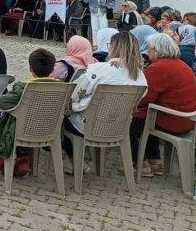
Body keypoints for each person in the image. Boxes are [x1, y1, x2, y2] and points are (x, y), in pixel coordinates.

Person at [63, 32, 146, 174]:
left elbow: (75, 94)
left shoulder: (99, 69)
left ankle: (72, 161)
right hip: (118, 126)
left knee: (59, 120)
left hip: (88, 125)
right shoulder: (140, 77)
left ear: (114, 47)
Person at [131, 33, 196, 177]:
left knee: (128, 121)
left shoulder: (160, 67)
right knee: (146, 116)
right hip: (186, 118)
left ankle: (141, 163)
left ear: (156, 50)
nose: (147, 52)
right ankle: (155, 161)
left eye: (149, 49)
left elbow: (144, 97)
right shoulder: (180, 64)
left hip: (173, 120)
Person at [0, 48, 58, 177]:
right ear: (52, 69)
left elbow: (1, 102)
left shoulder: (23, 88)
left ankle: (2, 159)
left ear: (31, 68)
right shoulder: (61, 88)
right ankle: (22, 158)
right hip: (49, 130)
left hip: (21, 130)